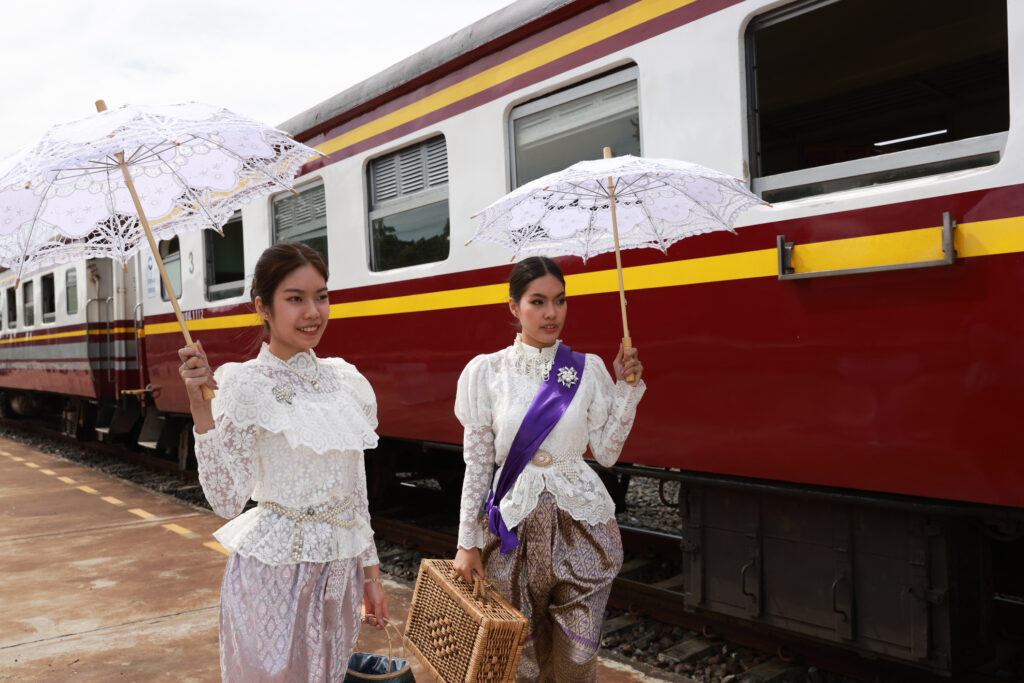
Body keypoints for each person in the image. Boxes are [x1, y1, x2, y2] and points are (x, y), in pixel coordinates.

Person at [178, 242, 388, 682]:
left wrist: (370, 574)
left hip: (339, 574)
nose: (314, 311)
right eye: (296, 299)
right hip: (273, 576)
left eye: (322, 296)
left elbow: (356, 490)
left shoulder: (346, 382)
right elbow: (225, 500)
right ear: (263, 307)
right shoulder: (243, 385)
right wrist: (202, 412)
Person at [452, 255, 645, 681]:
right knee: (517, 660)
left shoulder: (587, 369)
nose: (551, 313)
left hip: (583, 531)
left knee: (576, 661)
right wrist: (467, 542)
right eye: (537, 301)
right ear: (514, 307)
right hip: (511, 536)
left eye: (559, 301)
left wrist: (626, 391)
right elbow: (479, 464)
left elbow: (608, 452)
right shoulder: (488, 373)